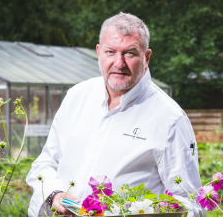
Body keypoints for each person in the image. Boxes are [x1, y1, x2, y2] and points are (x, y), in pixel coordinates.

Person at [26, 12, 205, 217]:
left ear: (146, 57)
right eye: (110, 52)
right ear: (99, 53)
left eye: (130, 53)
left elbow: (190, 204)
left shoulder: (169, 119)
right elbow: (45, 164)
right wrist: (55, 195)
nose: (119, 63)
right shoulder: (77, 96)